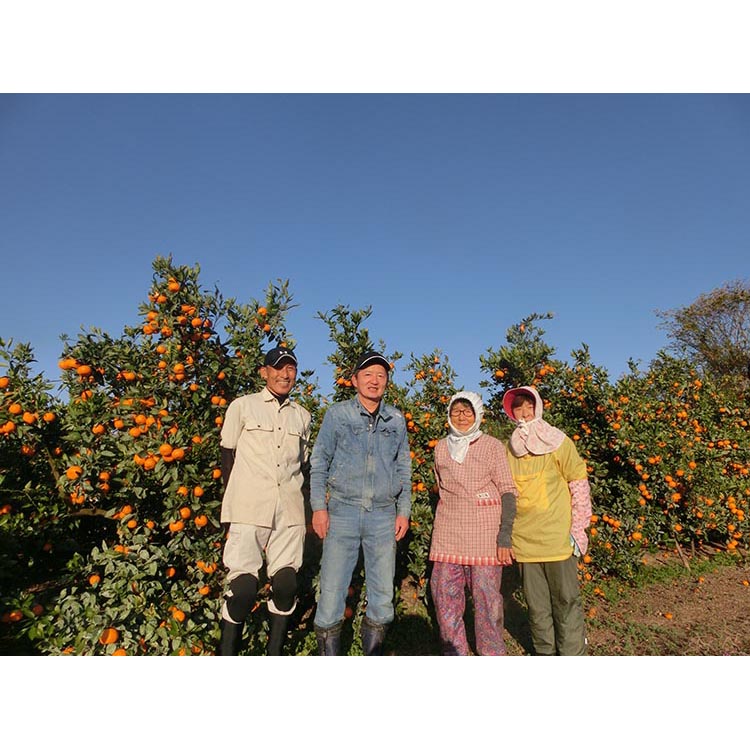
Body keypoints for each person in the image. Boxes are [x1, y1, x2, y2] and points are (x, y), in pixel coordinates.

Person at [310, 350, 411, 655]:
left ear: (387, 382)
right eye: (368, 374)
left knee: (382, 593)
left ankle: (373, 654)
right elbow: (319, 461)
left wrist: (404, 510)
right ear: (354, 380)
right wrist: (319, 507)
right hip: (343, 511)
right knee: (332, 590)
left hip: (383, 514)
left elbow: (403, 467)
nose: (374, 380)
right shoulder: (338, 415)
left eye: (381, 375)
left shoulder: (396, 419)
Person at [218, 346, 311, 656]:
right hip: (249, 507)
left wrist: (307, 512)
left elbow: (303, 466)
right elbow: (227, 454)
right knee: (243, 590)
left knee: (286, 585)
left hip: (290, 510)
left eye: (291, 368)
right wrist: (230, 504)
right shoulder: (243, 407)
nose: (285, 374)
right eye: (278, 367)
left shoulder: (302, 416)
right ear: (264, 372)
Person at [502, 385, 592, 656]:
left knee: (566, 601)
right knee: (537, 606)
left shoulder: (558, 442)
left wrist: (579, 527)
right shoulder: (511, 448)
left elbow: (578, 482)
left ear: (538, 407)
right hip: (525, 541)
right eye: (519, 407)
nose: (525, 412)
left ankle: (572, 653)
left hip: (557, 539)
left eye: (529, 406)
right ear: (512, 413)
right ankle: (544, 653)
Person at [429, 391, 518, 655]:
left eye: (467, 411)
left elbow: (507, 490)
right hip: (449, 532)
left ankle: (491, 653)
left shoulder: (492, 446)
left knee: (487, 600)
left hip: (485, 534)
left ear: (478, 414)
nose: (461, 417)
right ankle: (455, 651)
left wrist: (505, 536)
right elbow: (440, 486)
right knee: (444, 596)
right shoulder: (441, 448)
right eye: (456, 411)